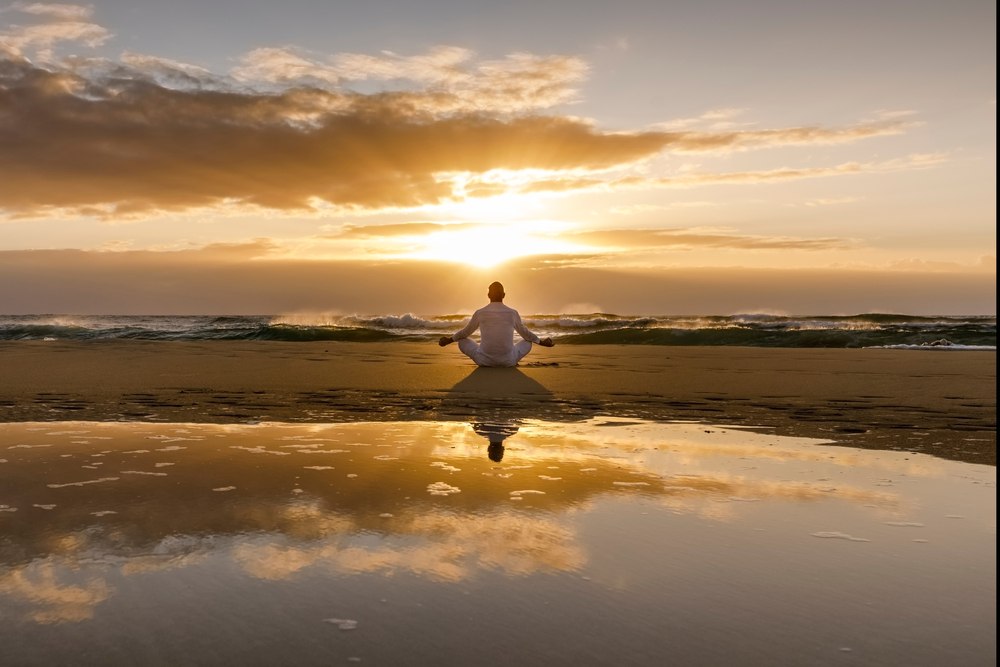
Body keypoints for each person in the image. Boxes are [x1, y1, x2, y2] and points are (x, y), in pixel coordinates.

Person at [439, 282, 554, 367]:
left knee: (462, 340)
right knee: (528, 341)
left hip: (484, 361)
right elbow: (525, 334)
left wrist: (449, 340)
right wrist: (542, 342)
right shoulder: (512, 313)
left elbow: (465, 332)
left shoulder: (480, 312)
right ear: (504, 295)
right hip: (508, 361)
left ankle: (489, 357)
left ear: (488, 295)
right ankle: (511, 360)